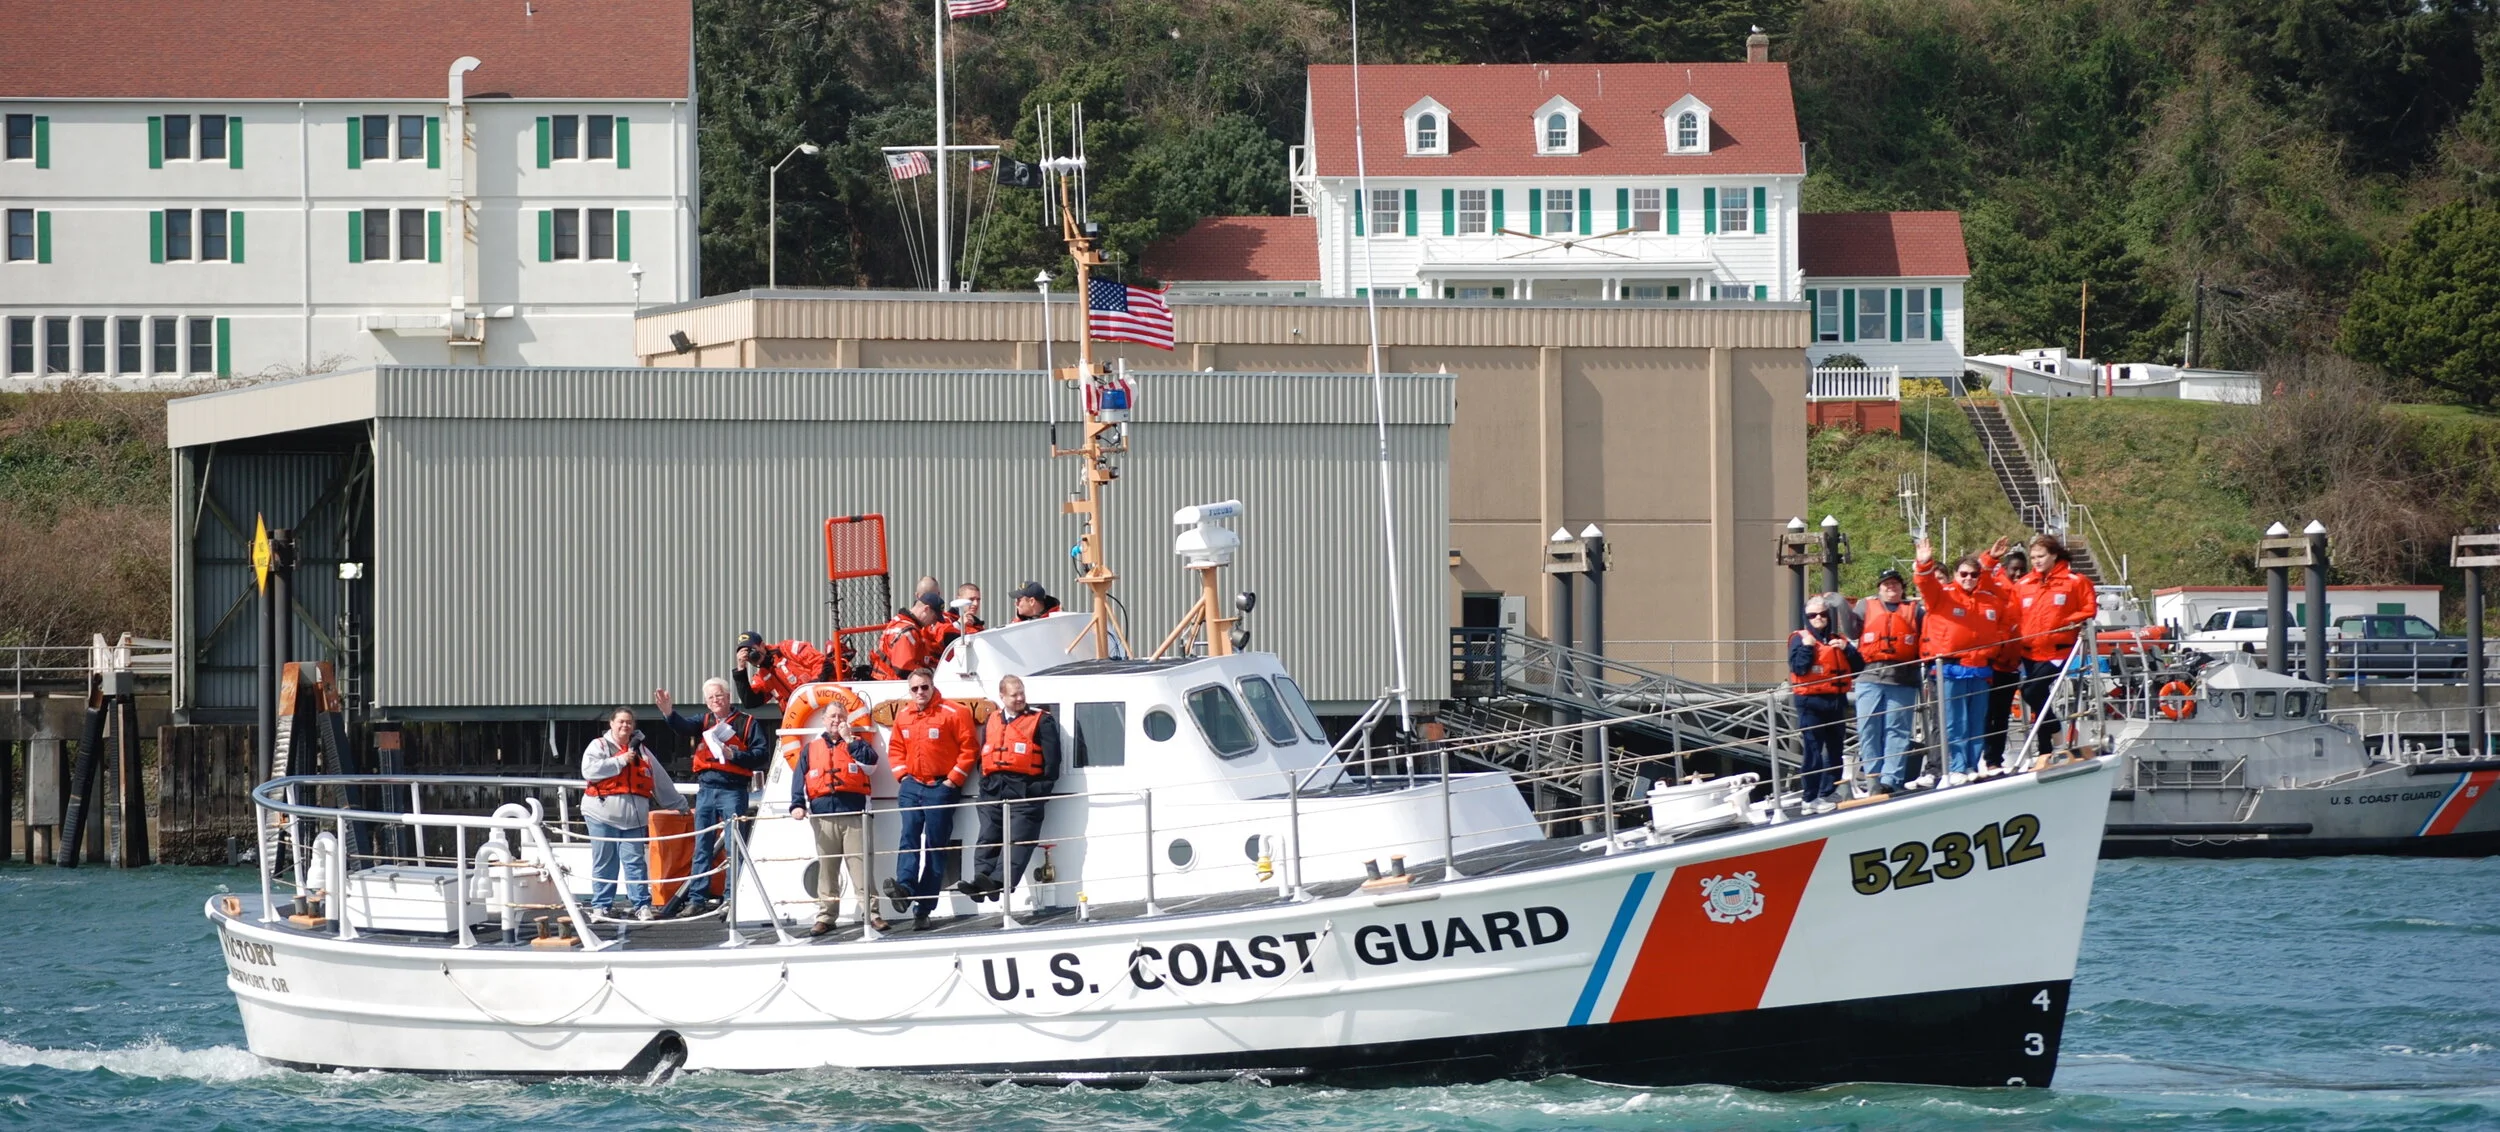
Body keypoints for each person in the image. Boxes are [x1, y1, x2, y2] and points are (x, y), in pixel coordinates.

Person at [655, 677, 772, 915]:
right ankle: (697, 899)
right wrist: (669, 713)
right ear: (707, 703)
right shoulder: (704, 721)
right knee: (702, 846)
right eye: (711, 697)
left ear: (729, 697)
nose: (715, 700)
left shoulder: (748, 723)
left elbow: (761, 754)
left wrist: (735, 755)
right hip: (707, 788)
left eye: (719, 695)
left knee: (734, 845)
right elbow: (684, 728)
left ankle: (732, 898)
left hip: (733, 789)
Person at [880, 667, 977, 929]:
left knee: (935, 848)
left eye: (924, 687)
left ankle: (922, 909)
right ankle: (905, 889)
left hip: (940, 787)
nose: (920, 692)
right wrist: (903, 777)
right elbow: (896, 749)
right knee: (908, 838)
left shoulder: (955, 713)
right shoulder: (904, 716)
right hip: (912, 786)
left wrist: (952, 781)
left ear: (932, 686)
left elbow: (969, 749)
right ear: (909, 691)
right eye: (915, 688)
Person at [956, 674, 1061, 901]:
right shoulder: (992, 719)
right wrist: (985, 782)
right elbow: (984, 753)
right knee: (987, 836)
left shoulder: (1041, 720)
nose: (1020, 698)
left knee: (1019, 840)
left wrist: (1038, 790)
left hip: (1024, 788)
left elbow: (1053, 762)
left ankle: (998, 882)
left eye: (1022, 693)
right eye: (1014, 695)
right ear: (1002, 696)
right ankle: (980, 880)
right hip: (993, 787)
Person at [1914, 538, 2007, 786]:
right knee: (1954, 722)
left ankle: (1970, 764)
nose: (1968, 578)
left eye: (1973, 574)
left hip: (1979, 669)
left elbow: (2004, 612)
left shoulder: (1989, 599)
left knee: (1977, 721)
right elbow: (1925, 583)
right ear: (1955, 575)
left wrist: (1990, 559)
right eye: (1963, 574)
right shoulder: (1941, 596)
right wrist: (1923, 563)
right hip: (1950, 668)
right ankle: (1955, 767)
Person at [581, 707, 688, 921]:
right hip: (601, 816)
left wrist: (680, 805)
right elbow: (589, 770)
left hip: (633, 820)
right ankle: (601, 906)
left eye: (629, 722)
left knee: (635, 862)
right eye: (620, 721)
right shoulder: (598, 746)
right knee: (604, 861)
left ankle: (641, 904)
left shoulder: (643, 751)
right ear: (611, 723)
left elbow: (659, 780)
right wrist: (620, 761)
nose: (625, 726)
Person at [789, 717, 887, 935]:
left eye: (840, 716)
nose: (836, 720)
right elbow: (799, 777)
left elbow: (870, 765)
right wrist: (797, 804)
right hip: (823, 817)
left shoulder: (858, 744)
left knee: (861, 868)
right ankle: (826, 916)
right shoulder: (810, 749)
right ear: (824, 720)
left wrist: (849, 739)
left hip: (854, 814)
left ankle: (872, 914)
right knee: (827, 870)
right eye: (831, 716)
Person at [2005, 533, 2099, 760]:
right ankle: (2045, 749)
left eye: (2041, 556)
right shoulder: (2024, 584)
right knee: (2040, 696)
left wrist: (2066, 621)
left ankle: (2055, 727)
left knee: (2032, 691)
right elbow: (2012, 614)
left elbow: (2089, 609)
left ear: (2054, 555)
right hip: (2029, 650)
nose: (2036, 560)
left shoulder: (2075, 581)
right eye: (2033, 556)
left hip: (2058, 649)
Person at [1852, 568, 1923, 795]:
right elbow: (1850, 629)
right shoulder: (1865, 607)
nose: (1890, 588)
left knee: (1898, 730)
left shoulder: (1915, 610)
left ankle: (1891, 779)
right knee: (1868, 728)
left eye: (1895, 584)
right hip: (1869, 678)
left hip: (1903, 679)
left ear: (1902, 588)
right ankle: (1872, 778)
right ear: (1879, 588)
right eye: (1886, 584)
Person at [1789, 596, 1861, 812]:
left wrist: (1847, 648)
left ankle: (1827, 792)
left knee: (1835, 748)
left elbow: (1858, 667)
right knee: (1813, 750)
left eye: (1822, 614)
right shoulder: (1799, 639)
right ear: (1806, 617)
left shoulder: (1838, 639)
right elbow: (1798, 668)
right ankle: (1809, 799)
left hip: (1835, 700)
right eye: (1813, 615)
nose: (1818, 618)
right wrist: (1807, 648)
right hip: (1810, 702)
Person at [1980, 540, 2027, 773]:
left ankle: (1994, 760)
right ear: (2005, 569)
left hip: (2012, 664)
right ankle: (1979, 757)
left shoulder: (2029, 588)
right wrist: (1992, 557)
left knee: (2001, 716)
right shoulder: (1995, 587)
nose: (2018, 573)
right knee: (1984, 714)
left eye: (2022, 569)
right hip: (1991, 663)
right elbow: (1980, 577)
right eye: (2014, 569)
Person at [732, 630, 831, 709]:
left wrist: (811, 690)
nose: (750, 656)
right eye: (746, 653)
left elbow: (821, 662)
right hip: (797, 714)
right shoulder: (762, 677)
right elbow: (750, 702)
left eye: (751, 650)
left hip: (821, 701)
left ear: (762, 645)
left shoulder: (787, 649)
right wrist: (741, 670)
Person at [873, 596, 944, 680]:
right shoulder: (908, 632)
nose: (934, 622)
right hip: (893, 684)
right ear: (926, 609)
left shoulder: (899, 622)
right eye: (934, 617)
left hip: (884, 680)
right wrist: (929, 672)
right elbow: (903, 668)